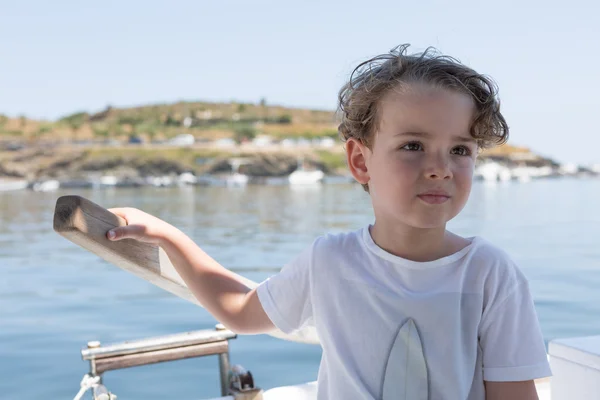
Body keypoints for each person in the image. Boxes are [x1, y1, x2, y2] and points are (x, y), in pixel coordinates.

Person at [106, 44, 552, 399]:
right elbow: (239, 311)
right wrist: (168, 235)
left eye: (460, 150)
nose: (440, 167)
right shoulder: (329, 261)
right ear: (360, 160)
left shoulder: (491, 275)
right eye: (413, 145)